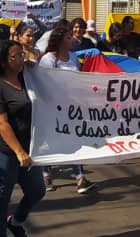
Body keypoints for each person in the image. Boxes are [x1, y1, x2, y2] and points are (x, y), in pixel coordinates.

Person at [0, 40, 46, 237]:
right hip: (2, 151)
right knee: (2, 198)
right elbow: (1, 124)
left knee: (37, 190)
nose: (21, 59)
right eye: (15, 56)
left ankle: (16, 221)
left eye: (21, 55)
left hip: (28, 148)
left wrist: (37, 69)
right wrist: (18, 152)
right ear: (3, 61)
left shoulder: (27, 79)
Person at [39, 27, 97, 194]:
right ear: (59, 40)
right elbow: (44, 83)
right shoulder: (48, 60)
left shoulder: (72, 56)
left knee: (74, 141)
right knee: (51, 142)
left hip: (71, 107)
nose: (72, 39)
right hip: (52, 108)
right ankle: (45, 175)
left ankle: (79, 178)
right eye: (68, 37)